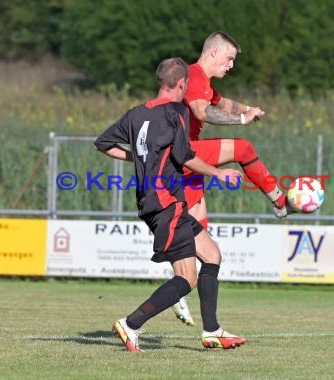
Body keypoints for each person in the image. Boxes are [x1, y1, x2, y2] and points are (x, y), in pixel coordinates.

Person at [94, 57, 246, 352]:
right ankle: (131, 324)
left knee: (212, 255)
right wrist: (219, 173)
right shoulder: (176, 112)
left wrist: (137, 159)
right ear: (181, 84)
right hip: (166, 202)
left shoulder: (137, 114)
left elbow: (103, 143)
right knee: (186, 278)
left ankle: (212, 330)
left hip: (160, 201)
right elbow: (185, 157)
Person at [171, 31, 295, 325]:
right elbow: (205, 111)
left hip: (187, 164)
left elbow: (222, 103)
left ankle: (177, 289)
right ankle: (279, 201)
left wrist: (247, 110)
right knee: (243, 147)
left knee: (196, 226)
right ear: (213, 53)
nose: (231, 66)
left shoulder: (201, 80)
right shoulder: (192, 75)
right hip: (182, 152)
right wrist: (242, 120)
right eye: (229, 59)